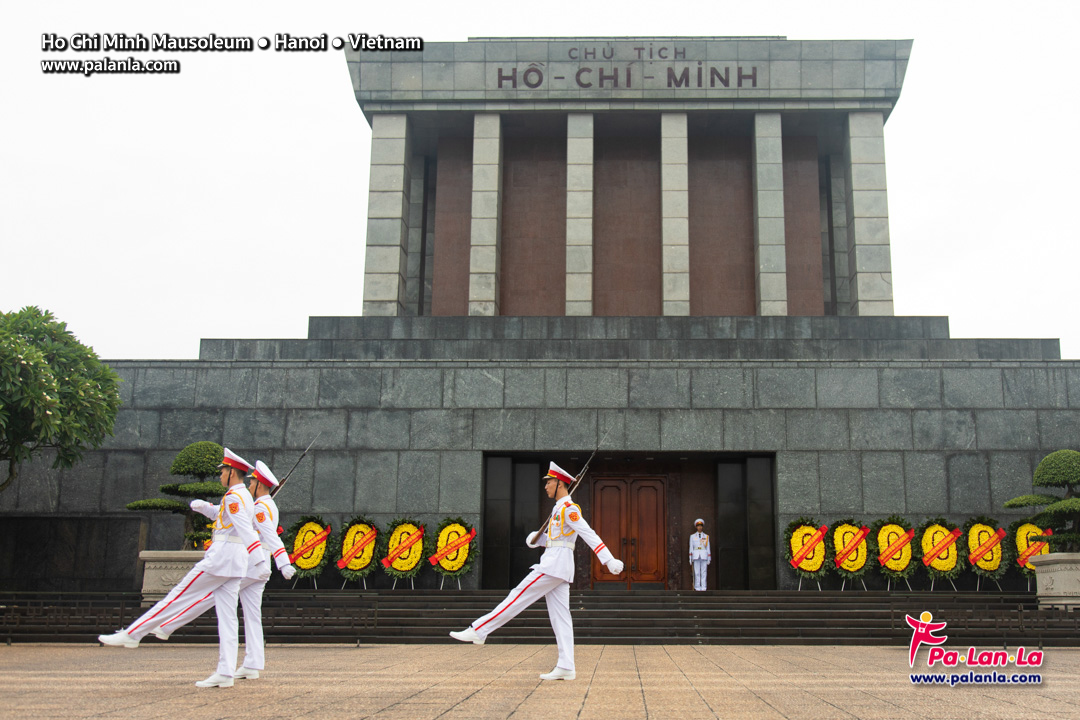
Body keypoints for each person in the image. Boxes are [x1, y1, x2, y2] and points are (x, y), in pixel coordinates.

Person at [98, 448, 268, 689]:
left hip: (220, 560)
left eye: (222, 471)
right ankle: (225, 672)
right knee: (228, 619)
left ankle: (133, 633)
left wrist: (259, 559)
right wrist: (203, 507)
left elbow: (245, 530)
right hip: (234, 563)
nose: (219, 475)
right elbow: (225, 520)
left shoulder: (233, 497)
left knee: (176, 596)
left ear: (232, 472)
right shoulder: (241, 497)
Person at [449, 461, 624, 681]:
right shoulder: (558, 509)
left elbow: (588, 533)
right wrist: (536, 539)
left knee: (518, 595)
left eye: (549, 482)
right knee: (561, 617)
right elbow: (554, 538)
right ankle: (566, 666)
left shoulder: (569, 509)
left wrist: (608, 560)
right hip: (556, 564)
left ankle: (480, 629)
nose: (546, 486)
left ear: (560, 483)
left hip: (554, 565)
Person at [159, 459, 296, 679]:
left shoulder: (260, 507)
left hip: (251, 564)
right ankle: (252, 664)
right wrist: (208, 509)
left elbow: (269, 534)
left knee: (210, 596)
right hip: (259, 566)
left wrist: (284, 562)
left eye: (252, 483)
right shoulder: (268, 505)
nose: (249, 486)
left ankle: (168, 625)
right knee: (252, 614)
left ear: (259, 485)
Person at [689, 518, 711, 591]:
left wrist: (709, 558)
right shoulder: (692, 536)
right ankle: (697, 587)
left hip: (704, 554)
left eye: (701, 526)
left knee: (704, 572)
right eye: (698, 526)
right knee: (697, 572)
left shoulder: (706, 536)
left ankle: (704, 587)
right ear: (696, 527)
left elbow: (708, 547)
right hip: (696, 555)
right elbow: (691, 547)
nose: (700, 527)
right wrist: (690, 557)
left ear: (702, 527)